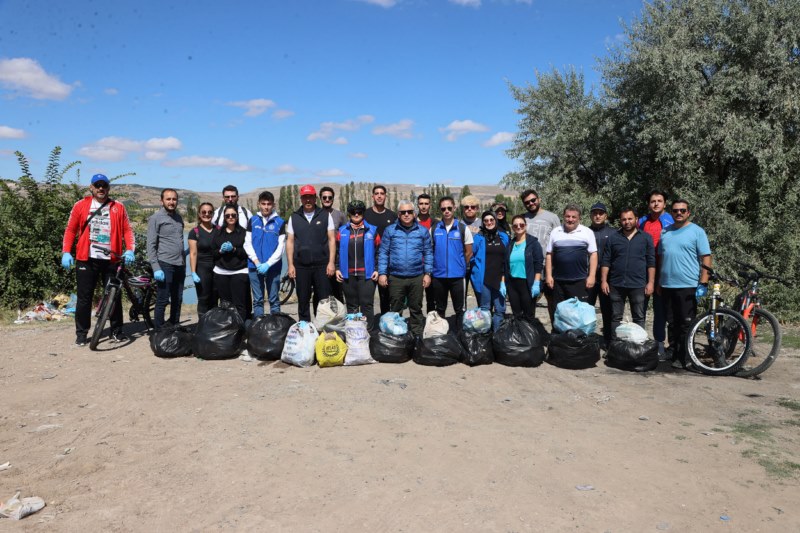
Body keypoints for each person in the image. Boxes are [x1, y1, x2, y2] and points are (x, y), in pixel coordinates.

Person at [61, 174, 135, 345]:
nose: (101, 188)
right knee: (84, 298)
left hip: (112, 259)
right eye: (97, 185)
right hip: (86, 258)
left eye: (104, 185)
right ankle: (81, 333)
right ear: (91, 187)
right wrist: (66, 251)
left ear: (108, 188)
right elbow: (70, 230)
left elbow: (127, 231)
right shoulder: (81, 205)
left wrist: (130, 249)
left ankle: (116, 331)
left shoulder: (118, 207)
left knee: (113, 296)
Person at [658, 199, 712, 369]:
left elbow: (706, 258)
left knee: (686, 323)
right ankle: (673, 352)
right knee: (672, 323)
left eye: (683, 210)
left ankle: (686, 356)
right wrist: (659, 281)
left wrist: (703, 282)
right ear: (671, 213)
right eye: (675, 210)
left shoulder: (697, 231)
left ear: (688, 212)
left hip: (687, 285)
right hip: (667, 285)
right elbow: (661, 258)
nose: (679, 213)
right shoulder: (665, 232)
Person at [377, 200, 433, 336]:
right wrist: (382, 273)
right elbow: (383, 252)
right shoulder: (390, 230)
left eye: (409, 212)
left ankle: (417, 336)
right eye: (403, 212)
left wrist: (428, 273)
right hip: (396, 276)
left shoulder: (422, 231)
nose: (406, 214)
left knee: (416, 308)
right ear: (398, 214)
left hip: (417, 276)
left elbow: (428, 253)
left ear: (414, 214)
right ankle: (396, 336)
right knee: (395, 309)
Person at [600, 207, 656, 337]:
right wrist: (603, 281)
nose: (627, 222)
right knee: (615, 317)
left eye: (630, 219)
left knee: (639, 317)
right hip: (616, 284)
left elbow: (651, 262)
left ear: (636, 219)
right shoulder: (613, 238)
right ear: (620, 221)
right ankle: (615, 348)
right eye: (624, 219)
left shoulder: (646, 238)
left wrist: (651, 282)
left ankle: (638, 346)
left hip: (638, 284)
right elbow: (606, 261)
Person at [285, 185, 336, 322]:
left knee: (323, 301)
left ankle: (323, 331)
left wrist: (331, 263)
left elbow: (332, 240)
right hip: (301, 266)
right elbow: (289, 242)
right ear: (301, 199)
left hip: (322, 266)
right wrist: (290, 265)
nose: (308, 200)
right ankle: (305, 330)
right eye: (305, 197)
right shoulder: (294, 217)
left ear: (315, 198)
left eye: (310, 197)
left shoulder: (325, 216)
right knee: (303, 300)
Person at [639, 189, 674, 358]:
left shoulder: (671, 221)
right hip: (643, 269)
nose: (656, 204)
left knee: (660, 310)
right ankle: (640, 340)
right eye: (653, 201)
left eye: (659, 201)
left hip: (663, 269)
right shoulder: (642, 221)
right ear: (649, 204)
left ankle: (660, 342)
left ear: (664, 203)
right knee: (640, 307)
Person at [335, 200, 378, 329]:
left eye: (359, 211)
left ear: (363, 213)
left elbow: (380, 251)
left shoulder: (372, 230)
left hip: (367, 274)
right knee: (352, 306)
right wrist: (337, 268)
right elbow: (336, 252)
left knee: (366, 305)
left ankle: (368, 332)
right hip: (347, 274)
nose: (356, 214)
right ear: (349, 214)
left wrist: (377, 269)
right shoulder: (342, 231)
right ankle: (355, 333)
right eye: (353, 212)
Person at [147, 188, 186, 329]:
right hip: (164, 264)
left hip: (180, 264)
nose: (171, 202)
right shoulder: (155, 218)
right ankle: (159, 330)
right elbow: (150, 245)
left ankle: (174, 325)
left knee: (178, 298)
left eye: (174, 199)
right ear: (161, 201)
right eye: (168, 199)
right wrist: (156, 267)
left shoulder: (178, 218)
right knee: (163, 299)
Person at [430, 196, 473, 321]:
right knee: (440, 309)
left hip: (458, 276)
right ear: (440, 210)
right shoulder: (434, 229)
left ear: (454, 208)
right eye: (443, 209)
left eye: (449, 208)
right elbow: (429, 251)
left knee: (460, 309)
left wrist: (460, 265)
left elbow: (469, 252)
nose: (447, 211)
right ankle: (441, 336)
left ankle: (460, 336)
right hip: (439, 276)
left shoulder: (462, 228)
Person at [545, 204, 597, 307]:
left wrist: (591, 276)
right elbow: (549, 255)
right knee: (559, 313)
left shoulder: (587, 232)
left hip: (579, 281)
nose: (570, 219)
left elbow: (593, 255)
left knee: (578, 314)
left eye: (574, 217)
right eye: (568, 216)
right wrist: (548, 275)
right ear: (563, 217)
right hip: (558, 282)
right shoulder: (555, 232)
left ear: (579, 218)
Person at [244, 191, 285, 317]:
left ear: (273, 205)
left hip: (273, 267)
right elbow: (247, 243)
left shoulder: (280, 222)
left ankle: (276, 329)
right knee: (258, 301)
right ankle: (258, 328)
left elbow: (281, 247)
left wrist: (268, 264)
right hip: (254, 266)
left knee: (274, 300)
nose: (266, 207)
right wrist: (256, 262)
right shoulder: (253, 221)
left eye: (269, 204)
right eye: (263, 204)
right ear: (258, 204)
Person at [521, 189, 561, 320]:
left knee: (552, 301)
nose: (531, 203)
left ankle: (555, 332)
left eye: (533, 200)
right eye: (527, 202)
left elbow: (558, 241)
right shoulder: (522, 219)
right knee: (529, 301)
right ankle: (529, 331)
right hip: (530, 267)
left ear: (539, 199)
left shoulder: (552, 217)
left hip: (549, 266)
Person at [470, 211, 509, 331]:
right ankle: (485, 337)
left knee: (500, 310)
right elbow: (471, 255)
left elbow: (508, 256)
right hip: (484, 280)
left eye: (491, 220)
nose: (489, 222)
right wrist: (475, 272)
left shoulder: (504, 236)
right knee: (485, 310)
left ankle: (497, 336)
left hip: (500, 280)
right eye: (486, 220)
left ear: (496, 221)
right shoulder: (478, 237)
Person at [211, 204, 251, 322]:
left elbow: (247, 253)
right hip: (221, 272)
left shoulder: (244, 233)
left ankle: (241, 330)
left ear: (237, 217)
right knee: (226, 305)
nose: (230, 217)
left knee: (240, 304)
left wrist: (234, 250)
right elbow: (213, 253)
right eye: (227, 215)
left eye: (233, 215)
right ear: (224, 217)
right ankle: (228, 330)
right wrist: (220, 251)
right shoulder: (218, 233)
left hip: (240, 271)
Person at [364, 185, 397, 318]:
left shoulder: (392, 216)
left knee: (386, 297)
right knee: (367, 299)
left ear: (385, 196)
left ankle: (386, 324)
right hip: (369, 261)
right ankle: (368, 325)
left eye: (382, 193)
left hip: (387, 262)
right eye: (376, 193)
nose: (379, 196)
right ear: (372, 196)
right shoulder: (365, 215)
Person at [587, 202, 615, 345]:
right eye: (594, 213)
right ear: (590, 215)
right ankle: (586, 339)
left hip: (607, 279)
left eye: (600, 213)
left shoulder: (613, 233)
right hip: (589, 278)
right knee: (586, 310)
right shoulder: (585, 231)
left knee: (607, 311)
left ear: (606, 215)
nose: (597, 216)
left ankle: (609, 341)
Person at [505, 214, 543, 321]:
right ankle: (520, 336)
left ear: (525, 226)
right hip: (513, 285)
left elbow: (538, 264)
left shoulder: (533, 243)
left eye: (521, 224)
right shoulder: (510, 245)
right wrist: (504, 284)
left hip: (527, 283)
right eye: (515, 225)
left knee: (528, 315)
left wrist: (536, 283)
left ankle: (530, 337)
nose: (518, 227)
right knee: (516, 315)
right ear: (512, 228)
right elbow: (505, 265)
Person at [188, 202, 218, 316]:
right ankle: (203, 327)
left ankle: (214, 326)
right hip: (202, 268)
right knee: (204, 298)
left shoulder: (218, 230)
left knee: (215, 297)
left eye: (210, 212)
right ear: (199, 214)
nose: (207, 214)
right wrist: (193, 272)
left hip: (217, 268)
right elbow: (193, 253)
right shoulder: (194, 232)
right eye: (204, 212)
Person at [320, 186, 346, 303]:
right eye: (324, 197)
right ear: (320, 199)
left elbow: (346, 237)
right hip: (320, 259)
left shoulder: (340, 216)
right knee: (321, 292)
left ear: (333, 199)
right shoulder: (316, 214)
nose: (327, 199)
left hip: (336, 260)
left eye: (329, 197)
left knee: (337, 292)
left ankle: (340, 318)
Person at [416, 193, 437, 313]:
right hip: (416, 266)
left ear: (430, 205)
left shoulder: (436, 224)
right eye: (421, 204)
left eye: (426, 204)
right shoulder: (411, 222)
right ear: (417, 205)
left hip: (431, 266)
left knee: (431, 298)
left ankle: (431, 322)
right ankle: (417, 323)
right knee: (416, 299)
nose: (423, 206)